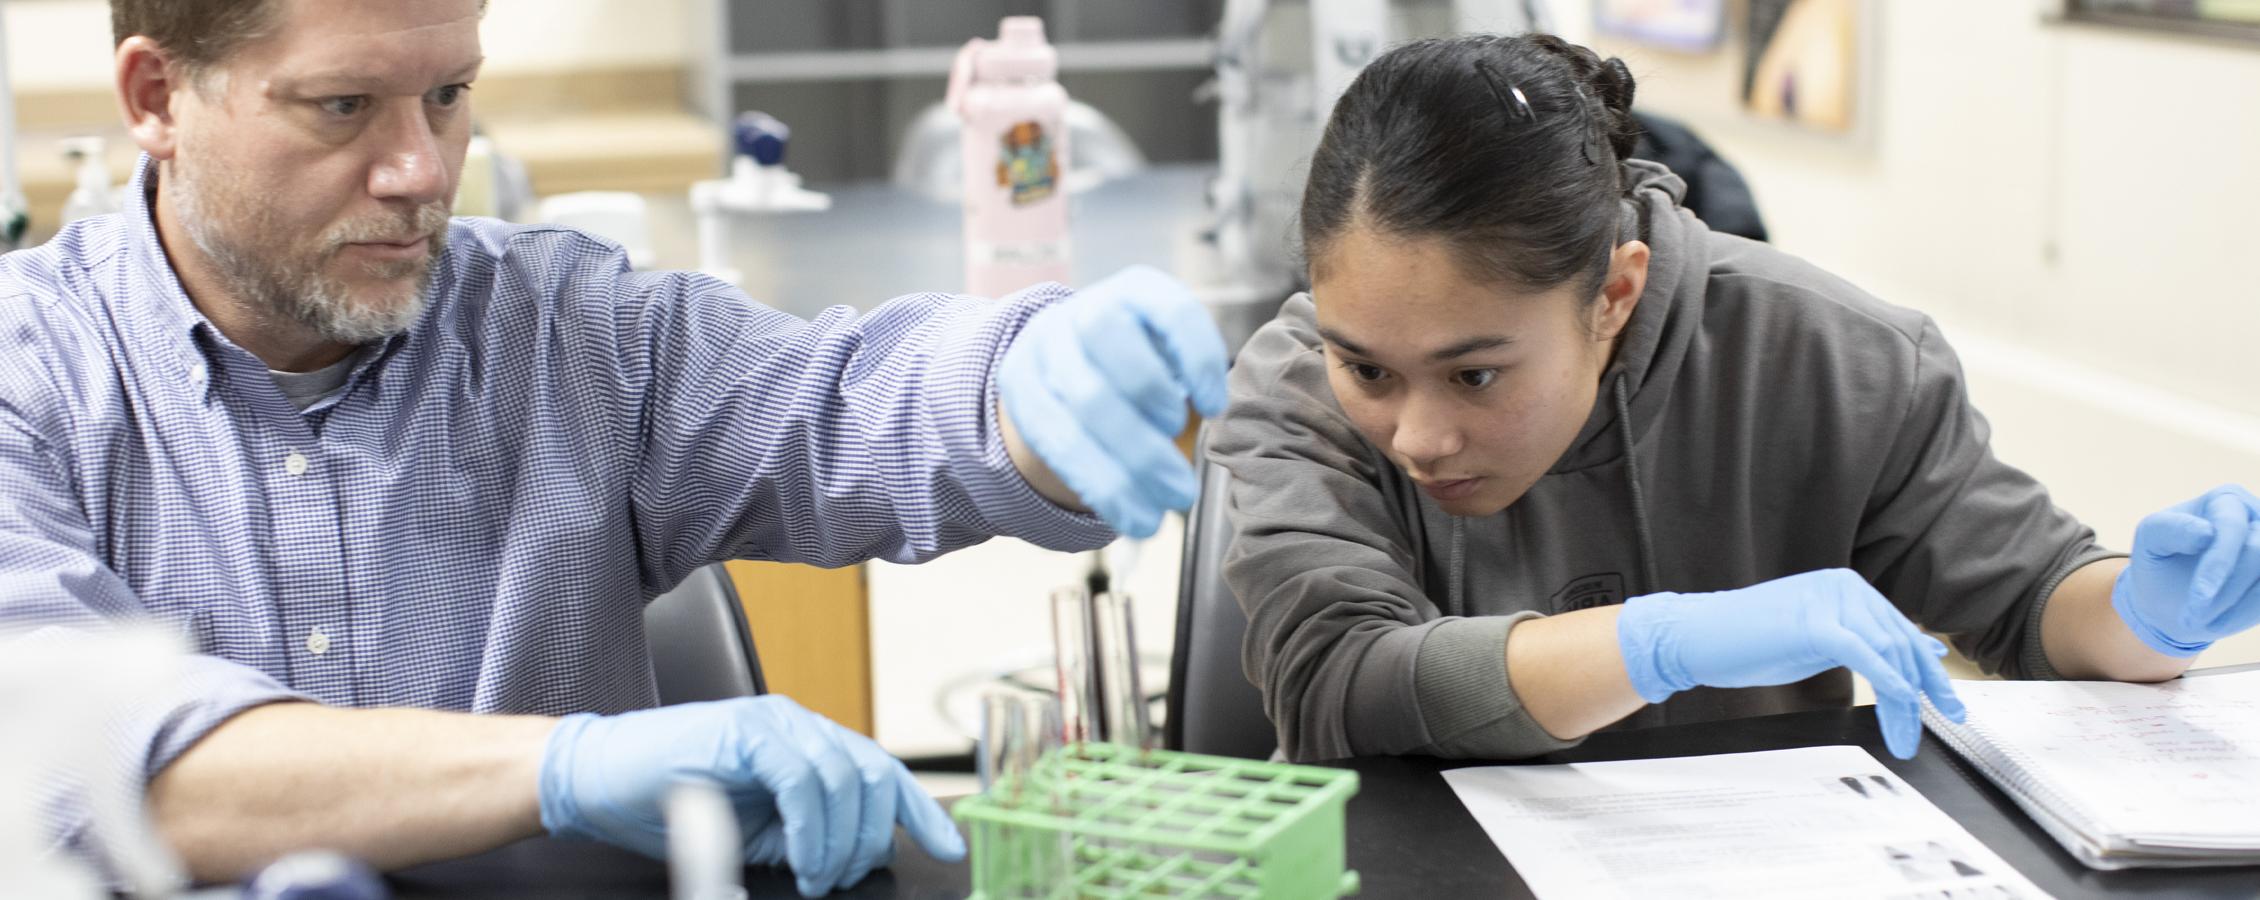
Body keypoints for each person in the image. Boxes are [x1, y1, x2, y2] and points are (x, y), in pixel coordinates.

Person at [0, 1, 1226, 895]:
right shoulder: (28, 376)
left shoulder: (560, 337)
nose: (420, 170)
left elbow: (840, 403)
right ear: (156, 98)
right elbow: (77, 758)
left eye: (448, 95)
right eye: (342, 106)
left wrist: (1020, 384)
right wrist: (565, 771)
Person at [1211, 33, 2260, 764]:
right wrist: (1655, 642)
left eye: (1476, 374)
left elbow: (2029, 605)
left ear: (1612, 293)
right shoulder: (1293, 385)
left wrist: (2145, 615)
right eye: (1371, 370)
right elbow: (1339, 689)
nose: (1421, 436)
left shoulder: (1831, 358)